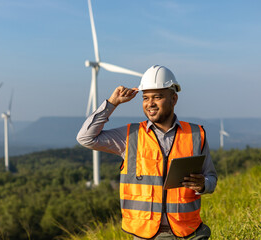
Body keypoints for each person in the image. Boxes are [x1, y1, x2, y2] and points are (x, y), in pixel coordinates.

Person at [77, 65, 217, 240]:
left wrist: (203, 184)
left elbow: (211, 178)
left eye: (157, 97)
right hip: (148, 234)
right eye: (145, 98)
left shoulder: (196, 134)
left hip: (189, 232)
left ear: (174, 99)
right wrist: (112, 103)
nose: (150, 103)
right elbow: (85, 137)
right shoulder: (130, 136)